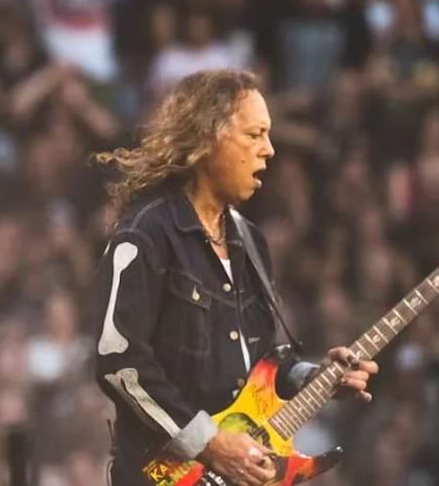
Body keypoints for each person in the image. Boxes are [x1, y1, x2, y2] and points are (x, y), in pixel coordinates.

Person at [90, 69, 378, 486]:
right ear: (208, 138)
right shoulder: (145, 233)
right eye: (255, 134)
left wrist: (314, 377)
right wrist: (209, 443)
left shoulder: (250, 240)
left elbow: (258, 361)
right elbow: (120, 363)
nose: (269, 150)